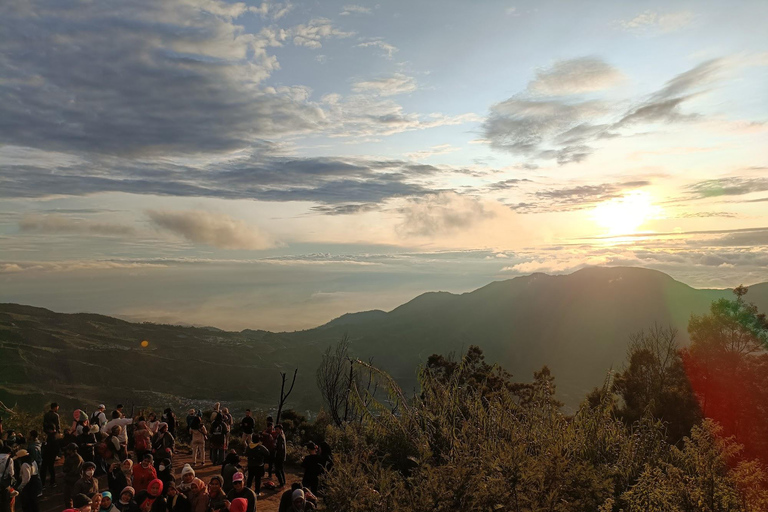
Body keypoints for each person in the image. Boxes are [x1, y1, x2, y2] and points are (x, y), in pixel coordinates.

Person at [41, 403, 61, 488]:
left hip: (47, 440)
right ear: (55, 407)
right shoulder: (56, 415)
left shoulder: (46, 415)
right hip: (53, 441)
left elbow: (44, 425)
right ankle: (52, 482)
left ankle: (42, 483)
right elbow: (58, 426)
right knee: (51, 466)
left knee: (44, 467)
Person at [0, 444, 16, 512]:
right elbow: (11, 472)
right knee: (5, 499)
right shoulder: (9, 459)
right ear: (9, 452)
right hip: (4, 482)